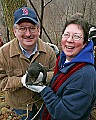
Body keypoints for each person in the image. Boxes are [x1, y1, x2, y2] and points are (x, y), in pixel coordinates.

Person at [23, 16, 96, 120]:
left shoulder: (84, 75)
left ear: (84, 43)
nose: (69, 40)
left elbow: (66, 114)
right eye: (66, 35)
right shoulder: (67, 60)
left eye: (76, 36)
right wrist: (58, 55)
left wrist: (43, 90)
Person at [0, 7, 56, 120]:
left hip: (43, 104)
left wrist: (44, 77)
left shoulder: (49, 51)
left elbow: (57, 74)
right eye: (22, 29)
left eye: (32, 28)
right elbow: (1, 81)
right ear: (15, 31)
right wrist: (21, 81)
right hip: (18, 108)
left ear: (38, 30)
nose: (28, 33)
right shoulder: (3, 53)